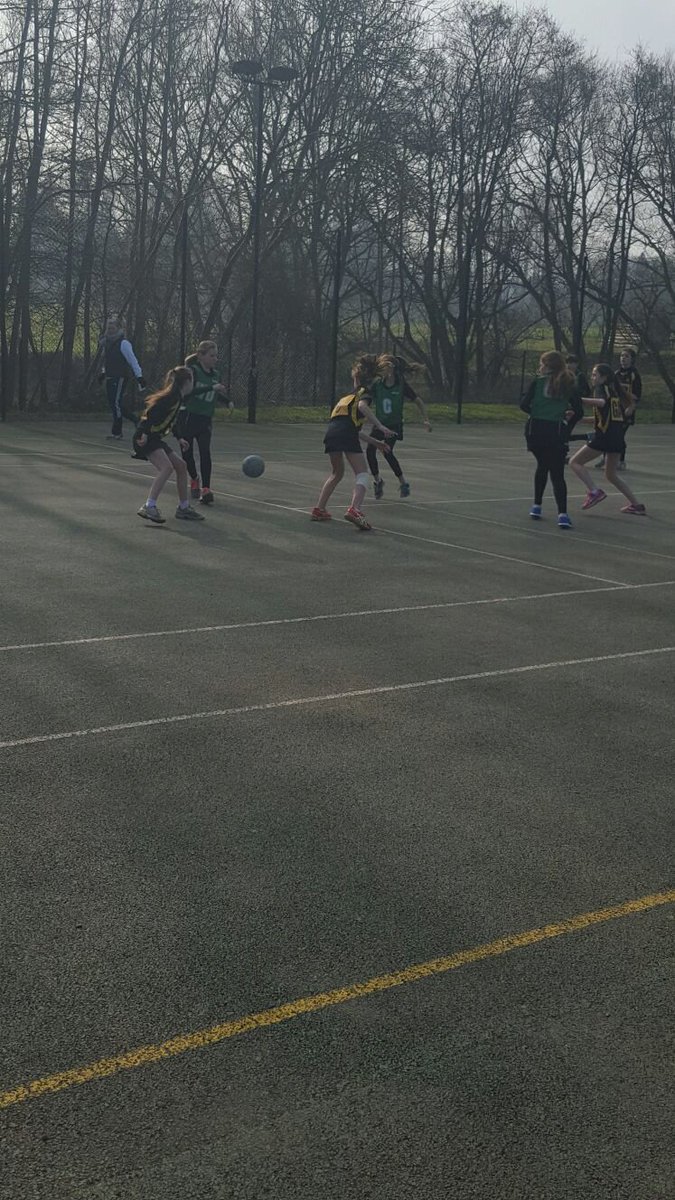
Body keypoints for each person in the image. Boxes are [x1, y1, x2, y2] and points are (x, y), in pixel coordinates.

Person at [311, 354, 398, 530]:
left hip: (332, 433)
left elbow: (353, 430)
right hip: (345, 434)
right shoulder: (365, 394)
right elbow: (362, 408)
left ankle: (319, 509)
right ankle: (355, 509)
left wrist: (376, 443)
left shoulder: (346, 398)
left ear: (356, 378)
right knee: (363, 474)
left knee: (337, 473)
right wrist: (380, 426)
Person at [569, 363, 646, 515]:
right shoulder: (615, 393)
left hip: (604, 437)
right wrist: (579, 419)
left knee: (575, 462)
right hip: (617, 439)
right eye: (591, 374)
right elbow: (602, 417)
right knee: (611, 475)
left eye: (594, 374)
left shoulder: (602, 390)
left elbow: (601, 403)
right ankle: (636, 505)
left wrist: (579, 399)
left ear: (604, 377)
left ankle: (594, 491)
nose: (592, 377)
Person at [133, 366, 205, 524]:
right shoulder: (171, 398)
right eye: (192, 379)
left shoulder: (178, 398)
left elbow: (172, 421)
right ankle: (149, 506)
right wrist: (144, 433)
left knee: (181, 466)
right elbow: (151, 413)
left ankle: (184, 508)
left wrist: (179, 437)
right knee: (167, 467)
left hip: (154, 438)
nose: (193, 383)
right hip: (145, 437)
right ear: (186, 382)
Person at [520, 351, 582, 528]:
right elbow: (578, 411)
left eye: (542, 364)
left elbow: (523, 405)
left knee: (542, 466)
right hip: (556, 430)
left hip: (536, 430)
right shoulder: (568, 384)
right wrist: (566, 423)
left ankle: (537, 505)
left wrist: (538, 413)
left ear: (547, 366)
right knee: (557, 472)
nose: (540, 367)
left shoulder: (537, 383)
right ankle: (562, 514)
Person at [366, 354, 431, 498]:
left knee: (387, 451)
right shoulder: (377, 384)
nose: (381, 369)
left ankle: (403, 483)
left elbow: (418, 401)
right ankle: (378, 481)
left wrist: (426, 419)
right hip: (379, 425)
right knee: (370, 450)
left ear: (392, 368)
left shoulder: (401, 384)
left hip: (394, 425)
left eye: (384, 366)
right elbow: (365, 402)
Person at [179, 340, 234, 504]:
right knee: (186, 454)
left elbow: (214, 393)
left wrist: (227, 401)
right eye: (212, 356)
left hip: (205, 419)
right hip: (189, 418)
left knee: (205, 452)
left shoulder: (215, 374)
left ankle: (206, 489)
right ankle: (194, 478)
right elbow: (188, 394)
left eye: (216, 356)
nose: (215, 359)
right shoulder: (192, 372)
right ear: (201, 356)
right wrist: (212, 388)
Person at [98, 317, 147, 440]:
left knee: (115, 404)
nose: (110, 330)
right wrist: (103, 373)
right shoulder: (106, 342)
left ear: (118, 329)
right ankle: (136, 421)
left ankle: (117, 432)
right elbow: (106, 360)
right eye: (108, 328)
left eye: (112, 328)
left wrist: (139, 376)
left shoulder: (124, 343)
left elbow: (133, 360)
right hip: (110, 376)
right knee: (114, 403)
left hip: (120, 377)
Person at [616, 348, 642, 469]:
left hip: (627, 409)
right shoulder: (616, 374)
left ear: (632, 359)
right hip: (616, 409)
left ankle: (621, 460)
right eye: (622, 356)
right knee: (612, 433)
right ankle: (607, 457)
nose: (623, 358)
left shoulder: (634, 375)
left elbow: (637, 395)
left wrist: (631, 406)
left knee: (620, 435)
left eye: (626, 356)